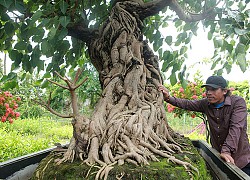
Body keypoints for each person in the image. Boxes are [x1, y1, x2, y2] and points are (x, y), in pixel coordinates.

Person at [158, 75, 250, 176]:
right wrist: (168, 97)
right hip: (219, 157)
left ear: (224, 91)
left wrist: (226, 150)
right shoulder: (206, 104)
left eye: (213, 89)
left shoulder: (237, 102)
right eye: (207, 89)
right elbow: (187, 104)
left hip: (241, 160)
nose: (209, 93)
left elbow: (236, 128)